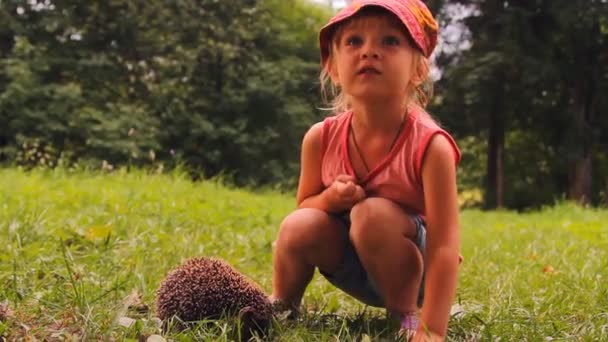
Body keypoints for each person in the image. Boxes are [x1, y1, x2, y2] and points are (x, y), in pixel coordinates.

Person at [270, 0, 461, 340]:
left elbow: (445, 246)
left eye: (390, 41)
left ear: (418, 69)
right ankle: (281, 307)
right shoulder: (320, 138)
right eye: (354, 41)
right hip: (350, 263)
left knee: (372, 215)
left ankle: (405, 319)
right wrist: (331, 198)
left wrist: (434, 330)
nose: (369, 51)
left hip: (412, 271)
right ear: (333, 66)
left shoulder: (432, 147)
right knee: (299, 225)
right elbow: (306, 207)